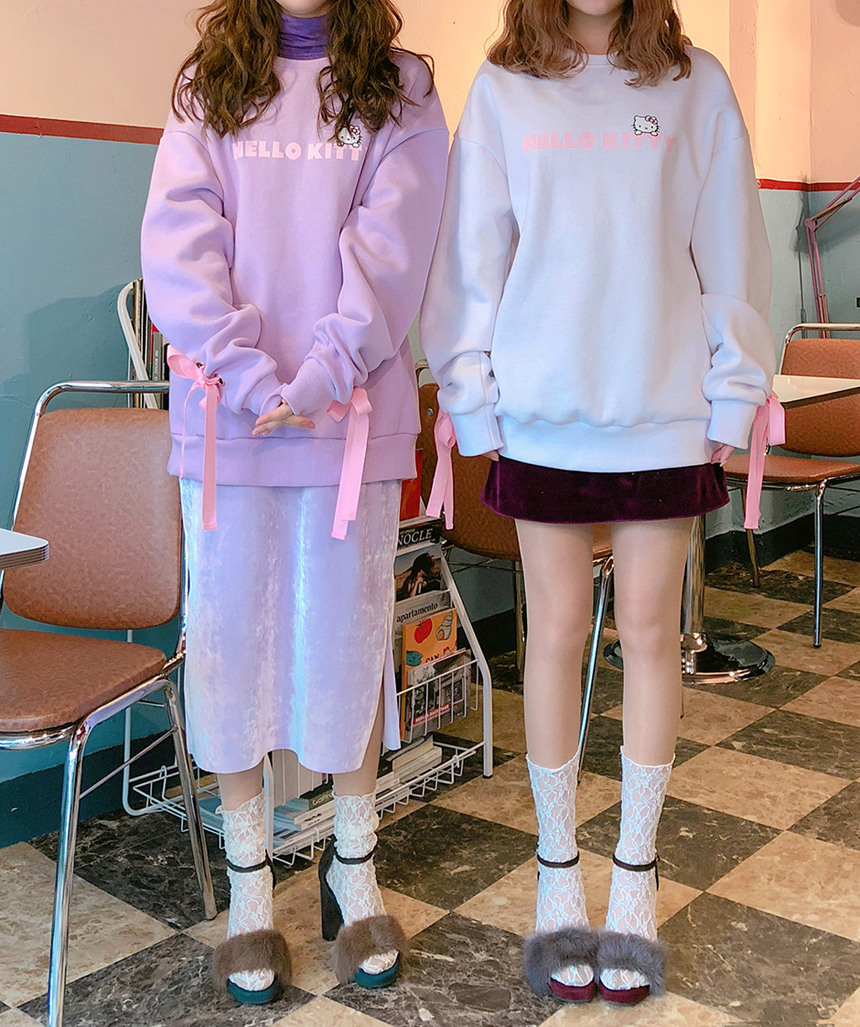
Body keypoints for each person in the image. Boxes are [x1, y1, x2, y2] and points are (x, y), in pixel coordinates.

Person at [422, 0, 774, 1007]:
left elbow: (730, 247)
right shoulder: (504, 89)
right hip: (543, 414)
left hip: (662, 408)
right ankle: (556, 878)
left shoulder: (695, 83)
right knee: (554, 635)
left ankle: (634, 881)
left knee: (652, 635)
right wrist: (470, 398)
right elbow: (471, 257)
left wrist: (734, 387)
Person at [141, 0, 447, 1004]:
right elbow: (180, 246)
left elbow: (393, 248)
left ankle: (353, 865)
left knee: (348, 643)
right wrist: (245, 372)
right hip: (228, 424)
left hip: (348, 419)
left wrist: (319, 373)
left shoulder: (402, 88)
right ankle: (248, 889)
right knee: (228, 648)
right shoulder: (209, 83)